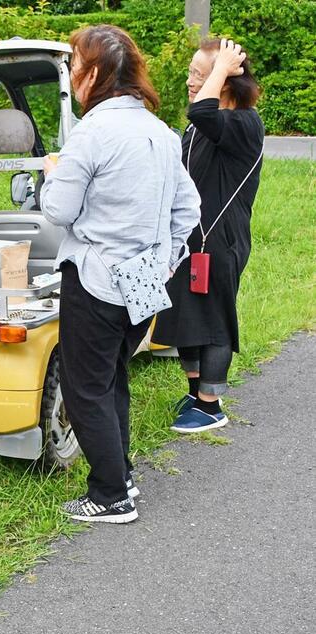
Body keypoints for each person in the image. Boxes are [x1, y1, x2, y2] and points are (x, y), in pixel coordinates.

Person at [40, 25, 200, 524]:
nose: (71, 73)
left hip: (95, 276)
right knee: (112, 377)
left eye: (73, 64)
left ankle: (110, 495)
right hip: (145, 278)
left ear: (92, 73)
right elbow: (189, 208)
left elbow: (59, 210)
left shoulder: (92, 131)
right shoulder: (158, 130)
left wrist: (52, 174)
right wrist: (166, 256)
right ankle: (121, 474)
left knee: (85, 384)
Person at [152, 38, 264, 433]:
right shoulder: (203, 128)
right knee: (185, 315)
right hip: (190, 241)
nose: (190, 81)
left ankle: (211, 405)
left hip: (221, 240)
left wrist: (221, 69)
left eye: (199, 75)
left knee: (214, 317)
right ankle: (195, 390)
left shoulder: (245, 123)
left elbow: (202, 109)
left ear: (227, 80)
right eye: (192, 73)